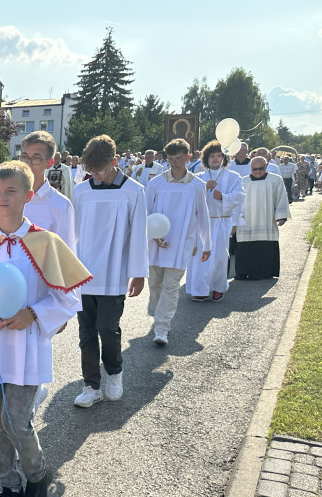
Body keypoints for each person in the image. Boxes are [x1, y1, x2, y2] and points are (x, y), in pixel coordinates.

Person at [0, 161, 90, 497]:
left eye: (10, 191)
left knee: (16, 420)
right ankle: (8, 487)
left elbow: (69, 296)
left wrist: (35, 313)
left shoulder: (45, 242)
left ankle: (36, 475)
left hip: (26, 345)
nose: (1, 198)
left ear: (28, 196)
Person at [70, 134, 147, 408]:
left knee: (107, 328)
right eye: (91, 171)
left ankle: (114, 372)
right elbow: (72, 235)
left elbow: (139, 234)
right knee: (86, 332)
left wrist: (139, 273)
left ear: (115, 162)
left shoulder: (134, 191)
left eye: (100, 170)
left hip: (114, 273)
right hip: (83, 274)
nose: (95, 175)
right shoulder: (80, 192)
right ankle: (91, 385)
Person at [144, 139, 211, 346]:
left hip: (181, 243)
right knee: (155, 285)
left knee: (171, 287)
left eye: (179, 158)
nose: (174, 163)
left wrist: (206, 244)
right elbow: (145, 213)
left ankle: (162, 328)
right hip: (155, 243)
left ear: (188, 158)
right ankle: (160, 318)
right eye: (170, 159)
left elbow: (202, 217)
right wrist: (154, 235)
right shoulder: (156, 184)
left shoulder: (197, 186)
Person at [186, 140, 245, 302]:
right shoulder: (197, 177)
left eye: (219, 156)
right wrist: (203, 188)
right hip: (201, 224)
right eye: (212, 156)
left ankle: (218, 288)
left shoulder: (234, 177)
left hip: (222, 222)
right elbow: (187, 197)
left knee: (219, 256)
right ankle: (199, 290)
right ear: (206, 158)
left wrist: (223, 197)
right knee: (200, 257)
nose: (215, 159)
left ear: (225, 158)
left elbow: (240, 196)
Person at [12, 132, 76, 251]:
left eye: (36, 158)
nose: (28, 164)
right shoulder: (5, 198)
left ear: (49, 163)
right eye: (24, 156)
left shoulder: (61, 205)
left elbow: (67, 257)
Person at [234, 158, 290, 280]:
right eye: (255, 169)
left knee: (265, 247)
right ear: (251, 168)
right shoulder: (242, 182)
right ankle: (243, 272)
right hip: (247, 221)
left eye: (261, 168)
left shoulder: (275, 180)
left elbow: (281, 197)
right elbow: (236, 201)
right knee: (245, 246)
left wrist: (281, 215)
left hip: (267, 220)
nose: (258, 171)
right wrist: (235, 220)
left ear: (266, 167)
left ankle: (265, 273)